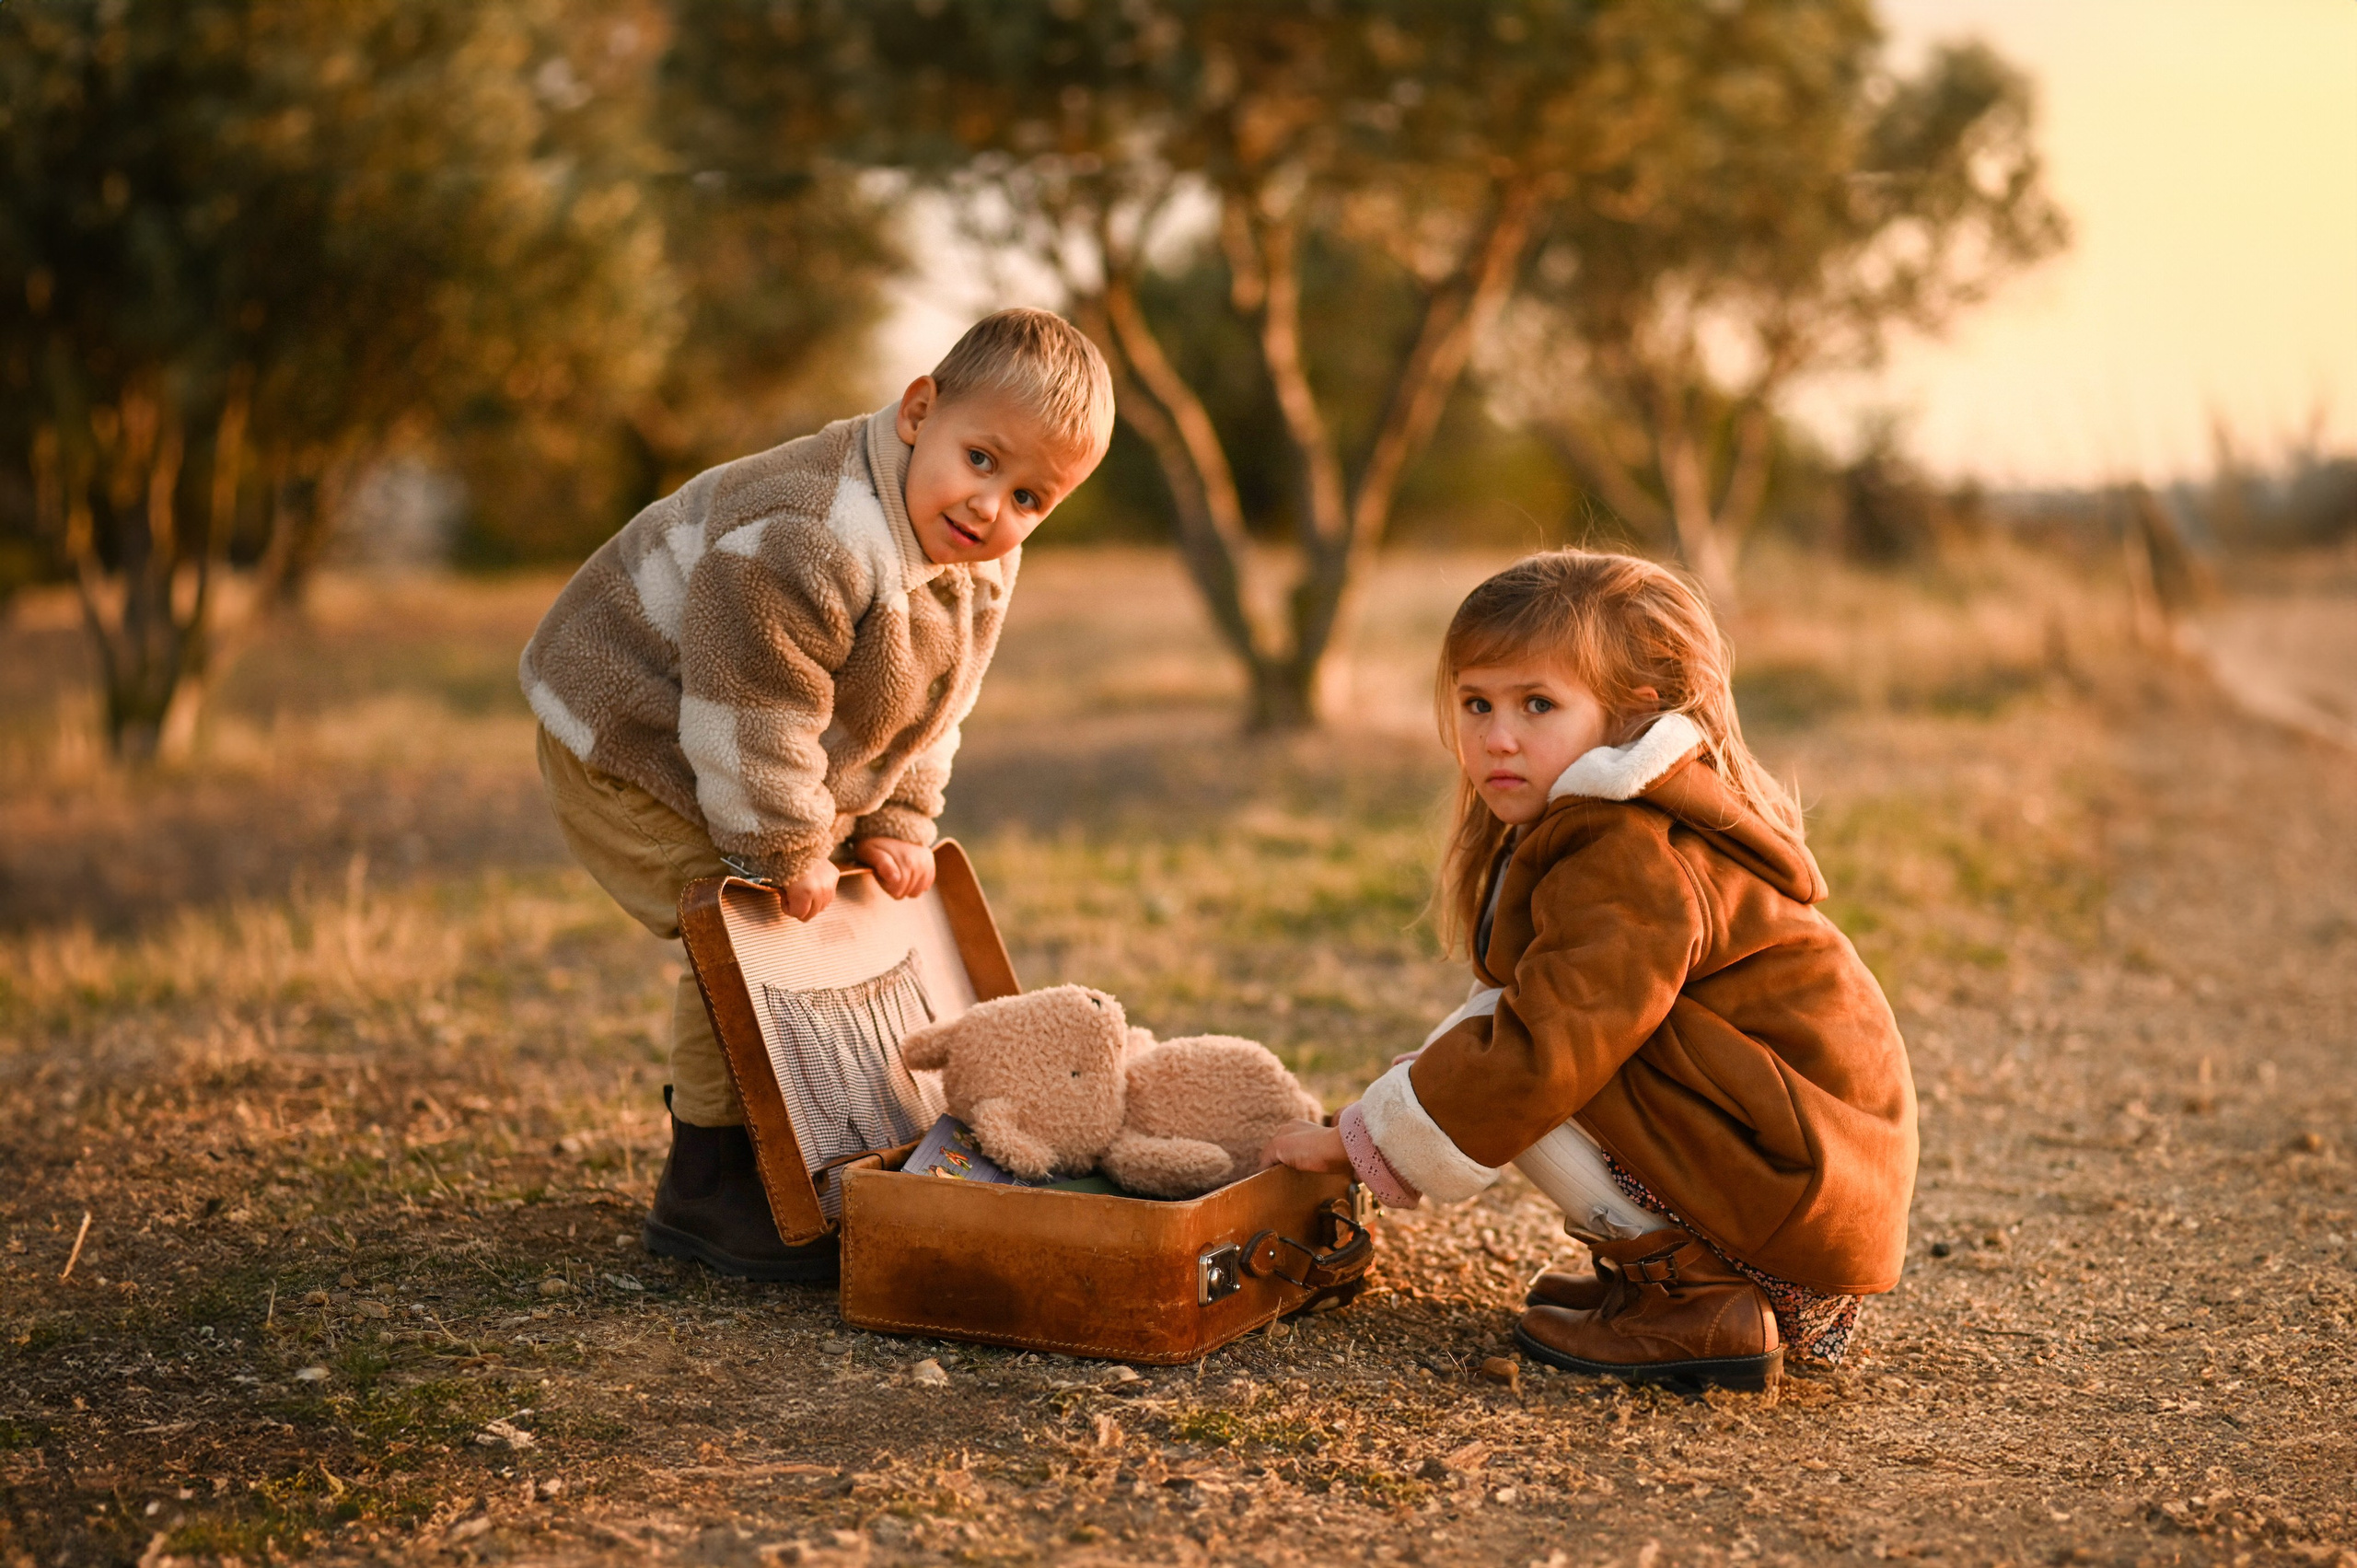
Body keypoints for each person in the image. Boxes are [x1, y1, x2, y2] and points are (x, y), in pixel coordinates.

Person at [519, 308, 1114, 1282]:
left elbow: (935, 702)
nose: (992, 507)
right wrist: (787, 850)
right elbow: (746, 712)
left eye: (1030, 498)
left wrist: (898, 817)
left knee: (808, 905)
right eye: (980, 459)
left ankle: (797, 1146)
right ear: (920, 408)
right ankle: (709, 1188)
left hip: (735, 725)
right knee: (744, 923)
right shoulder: (806, 530)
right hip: (628, 723)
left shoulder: (979, 554)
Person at [1263, 550, 1918, 1388]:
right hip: (1800, 1173)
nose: (1498, 736)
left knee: (1528, 1046)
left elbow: (1545, 1045)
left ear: (1626, 715)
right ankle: (1659, 1267)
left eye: (1538, 703)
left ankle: (1699, 1293)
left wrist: (1362, 1141)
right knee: (1510, 1027)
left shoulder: (1626, 849)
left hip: (1800, 1182)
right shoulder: (1611, 822)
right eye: (1477, 702)